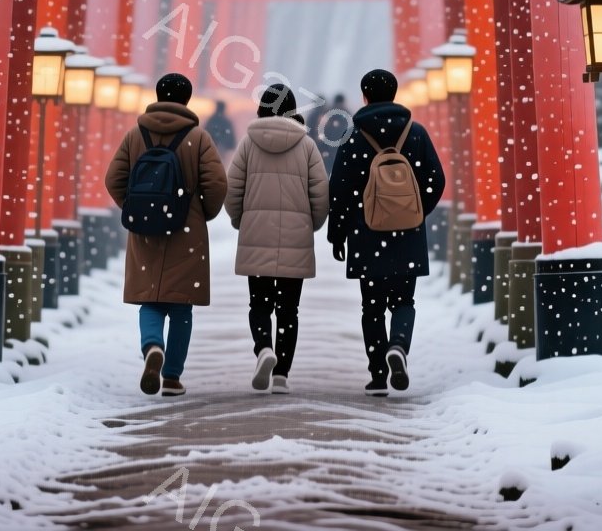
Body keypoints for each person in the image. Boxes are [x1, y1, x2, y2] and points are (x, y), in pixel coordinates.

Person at [105, 72, 227, 397]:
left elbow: (113, 178)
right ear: (187, 99)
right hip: (186, 230)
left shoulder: (136, 134)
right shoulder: (198, 137)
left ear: (157, 95)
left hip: (145, 229)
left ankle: (152, 346)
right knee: (181, 307)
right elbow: (217, 183)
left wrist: (135, 207)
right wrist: (200, 213)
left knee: (150, 300)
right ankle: (172, 377)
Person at [326, 69, 445, 396]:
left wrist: (337, 233)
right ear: (394, 94)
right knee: (404, 300)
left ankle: (378, 374)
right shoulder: (415, 133)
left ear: (364, 97)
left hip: (367, 233)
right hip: (407, 234)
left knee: (372, 307)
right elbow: (436, 179)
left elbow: (339, 189)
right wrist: (416, 212)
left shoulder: (352, 136)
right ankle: (399, 346)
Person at [226, 83, 328, 394]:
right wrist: (311, 224)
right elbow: (320, 194)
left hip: (256, 233)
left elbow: (232, 190)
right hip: (295, 238)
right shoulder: (307, 145)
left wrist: (240, 220)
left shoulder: (248, 144)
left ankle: (263, 348)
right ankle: (282, 374)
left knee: (259, 304)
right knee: (288, 309)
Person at [314, 93, 351, 174]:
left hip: (329, 152)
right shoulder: (348, 115)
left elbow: (322, 133)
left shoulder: (328, 114)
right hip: (342, 151)